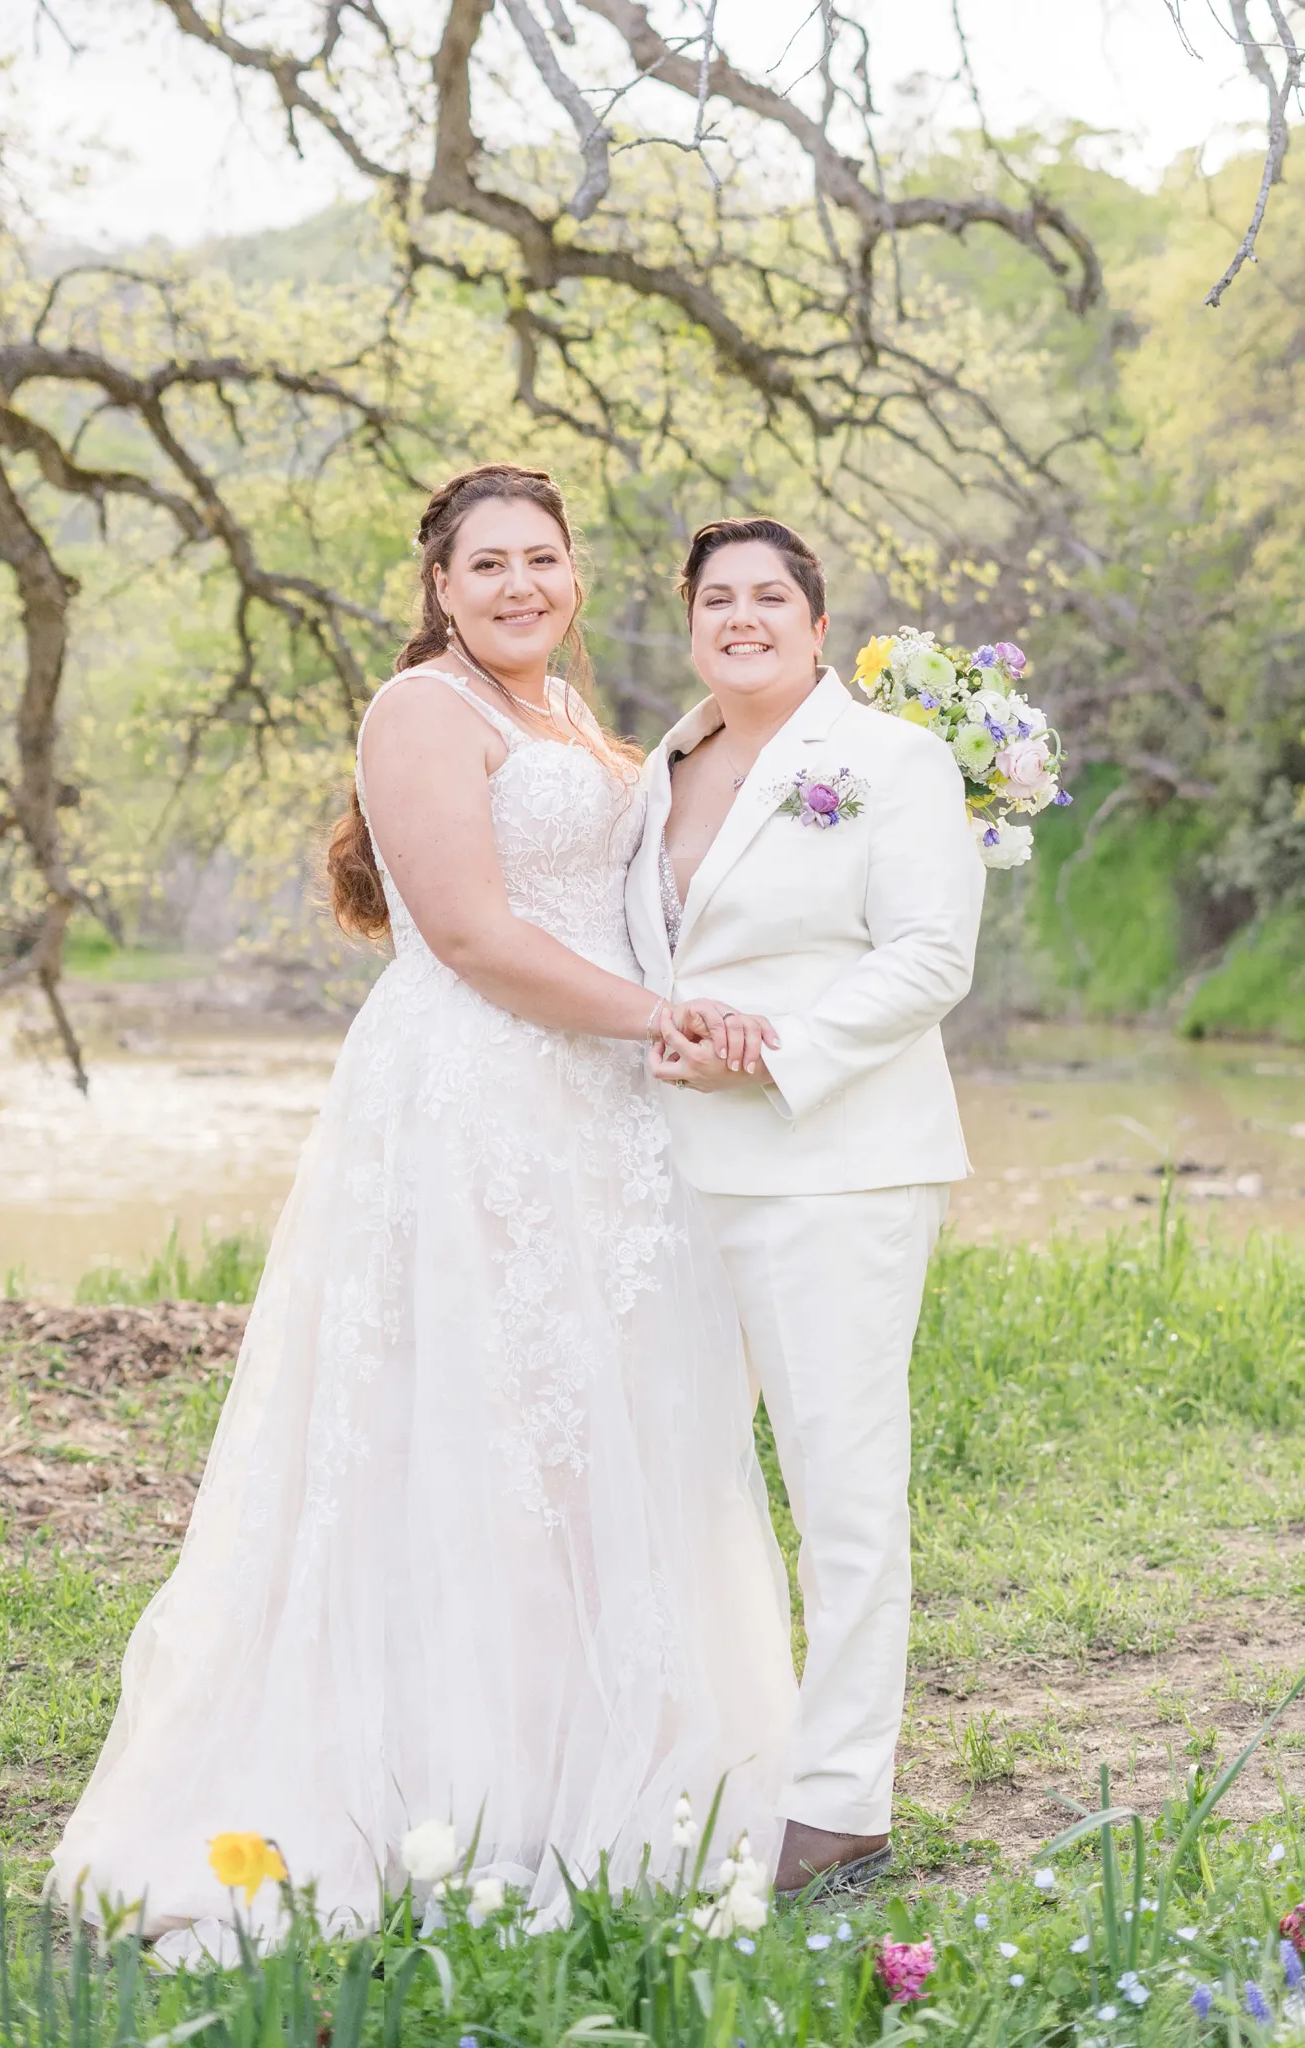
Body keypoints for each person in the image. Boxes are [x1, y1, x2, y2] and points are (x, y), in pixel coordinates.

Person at [50, 467, 797, 1957]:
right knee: (479, 1438)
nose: (520, 584)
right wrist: (661, 1019)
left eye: (544, 558)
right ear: (440, 590)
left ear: (577, 574)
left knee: (598, 1442)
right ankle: (457, 1794)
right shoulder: (420, 715)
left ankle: (590, 1771)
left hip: (602, 1115)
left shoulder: (574, 721)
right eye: (488, 566)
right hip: (482, 1109)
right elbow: (464, 933)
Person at [625, 517, 985, 1897]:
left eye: (769, 595)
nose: (742, 615)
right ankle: (698, 1754)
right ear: (689, 623)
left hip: (833, 1162)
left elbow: (927, 958)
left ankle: (839, 1801)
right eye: (717, 597)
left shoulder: (888, 761)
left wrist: (769, 1050)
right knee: (676, 1473)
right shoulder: (655, 768)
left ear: (816, 626)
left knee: (841, 1486)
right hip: (670, 1167)